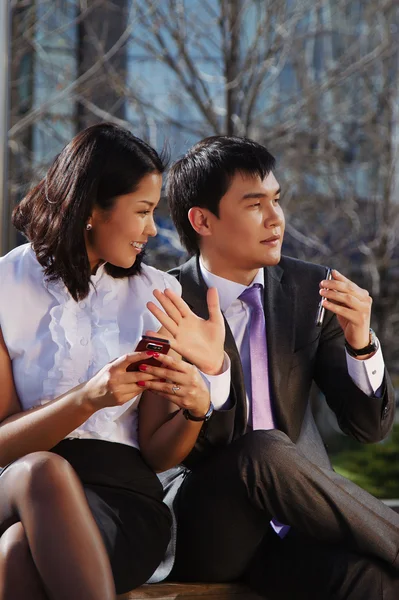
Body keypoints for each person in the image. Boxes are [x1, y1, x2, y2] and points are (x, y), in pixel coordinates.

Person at [137, 135, 399, 599]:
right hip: (207, 525)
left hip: (295, 524)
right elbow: (179, 448)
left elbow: (368, 429)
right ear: (202, 220)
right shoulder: (167, 305)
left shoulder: (309, 288)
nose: (276, 218)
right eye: (254, 204)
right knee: (264, 450)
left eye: (276, 200)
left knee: (372, 581)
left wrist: (362, 344)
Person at [0, 123, 226, 600]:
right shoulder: (4, 285)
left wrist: (195, 408)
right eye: (142, 211)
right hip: (16, 483)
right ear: (90, 210)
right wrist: (88, 399)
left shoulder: (157, 295)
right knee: (42, 473)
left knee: (18, 551)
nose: (152, 228)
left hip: (121, 503)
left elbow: (158, 453)